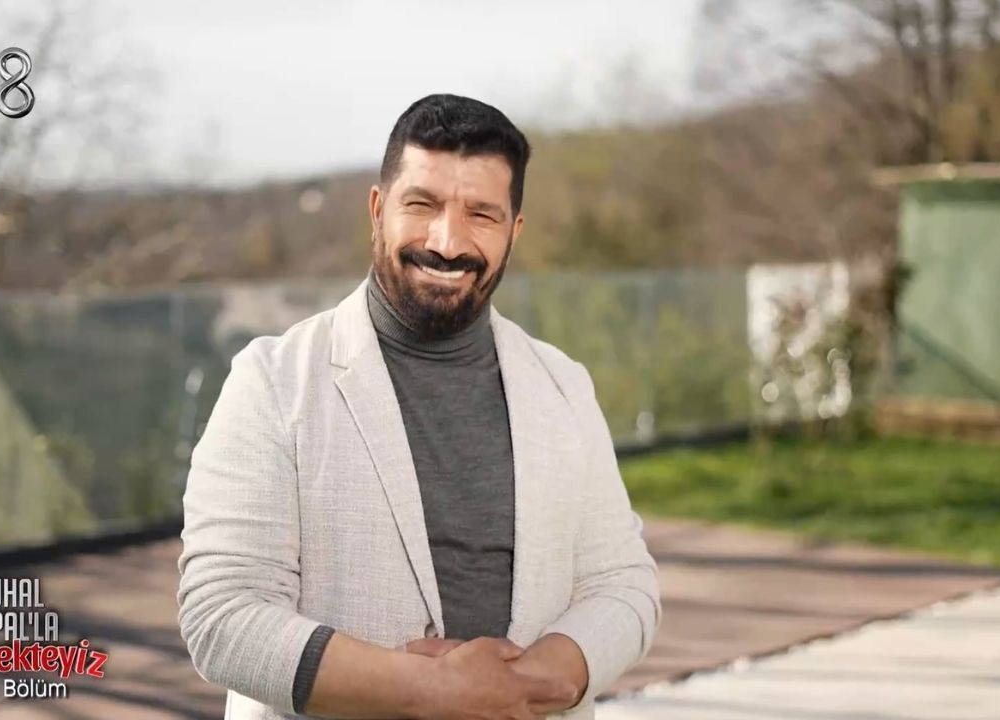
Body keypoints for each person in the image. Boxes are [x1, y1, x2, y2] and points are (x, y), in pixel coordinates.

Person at [177, 93, 661, 720]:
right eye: (422, 204)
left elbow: (623, 584)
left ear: (513, 232)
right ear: (378, 210)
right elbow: (222, 617)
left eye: (481, 214)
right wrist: (431, 691)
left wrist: (539, 682)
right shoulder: (271, 382)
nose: (448, 242)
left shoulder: (564, 385)